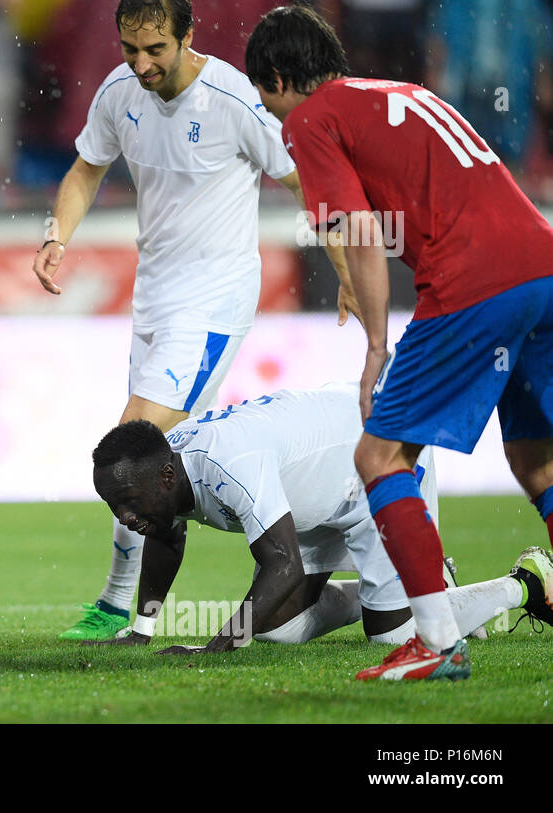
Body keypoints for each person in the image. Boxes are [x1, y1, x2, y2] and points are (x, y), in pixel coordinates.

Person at [32, 0, 357, 644]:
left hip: (213, 303)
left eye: (156, 49)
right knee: (155, 461)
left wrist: (349, 270)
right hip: (153, 298)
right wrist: (56, 236)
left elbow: (304, 183)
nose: (141, 63)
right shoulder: (119, 91)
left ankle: (116, 604)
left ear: (187, 36)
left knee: (132, 444)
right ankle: (383, 565)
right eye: (130, 50)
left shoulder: (233, 101)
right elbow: (86, 169)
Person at [246, 5, 553, 680]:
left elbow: (357, 230)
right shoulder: (398, 93)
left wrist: (376, 345)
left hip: (475, 276)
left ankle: (437, 642)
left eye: (266, 103)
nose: (274, 121)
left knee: (378, 455)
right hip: (542, 263)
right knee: (538, 463)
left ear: (275, 78)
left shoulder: (310, 117)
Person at [89, 386, 553, 656]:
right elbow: (167, 540)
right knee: (275, 629)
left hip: (378, 462)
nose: (125, 517)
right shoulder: (165, 471)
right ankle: (427, 585)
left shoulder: (228, 465)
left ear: (166, 476)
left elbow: (282, 565)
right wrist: (141, 631)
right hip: (314, 494)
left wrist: (215, 649)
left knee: (389, 635)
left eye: (128, 501)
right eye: (114, 506)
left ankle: (526, 583)